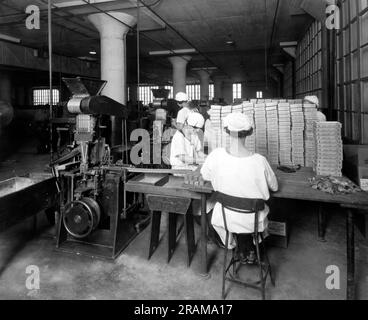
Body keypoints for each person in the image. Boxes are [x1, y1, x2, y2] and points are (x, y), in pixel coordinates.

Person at [200, 113, 278, 264]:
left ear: (227, 131)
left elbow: (205, 175)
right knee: (267, 205)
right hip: (253, 222)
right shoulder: (259, 161)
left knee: (211, 207)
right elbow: (274, 186)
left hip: (226, 219)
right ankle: (249, 247)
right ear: (249, 132)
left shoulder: (216, 156)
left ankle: (240, 247)